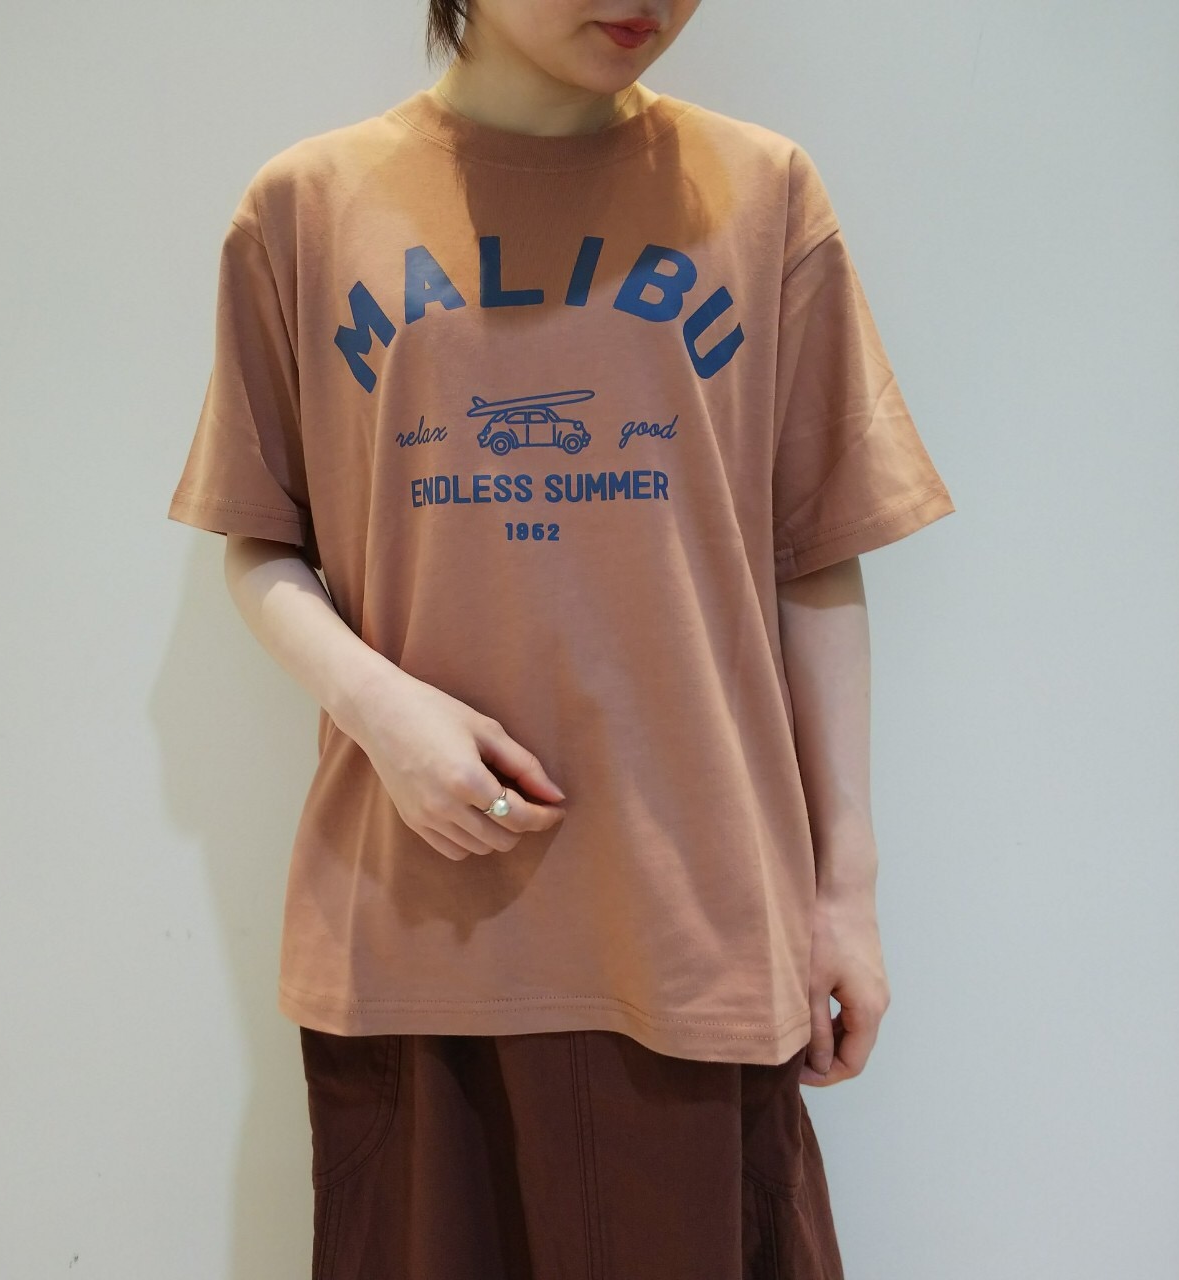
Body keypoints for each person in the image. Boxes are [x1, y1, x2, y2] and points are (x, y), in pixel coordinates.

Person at [166, 1, 955, 1275]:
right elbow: (258, 541)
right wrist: (382, 709)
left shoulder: (761, 194)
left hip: (694, 925)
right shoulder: (305, 209)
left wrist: (843, 893)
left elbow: (812, 554)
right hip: (418, 928)